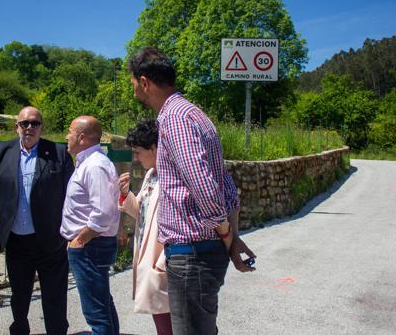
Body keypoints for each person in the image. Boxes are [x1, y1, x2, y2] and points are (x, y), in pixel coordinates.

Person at [127, 47, 256, 335]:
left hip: (192, 255)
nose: (134, 89)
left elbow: (207, 189)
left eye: (133, 83)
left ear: (144, 81)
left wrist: (227, 236)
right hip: (199, 254)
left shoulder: (173, 119)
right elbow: (228, 189)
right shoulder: (194, 114)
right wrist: (230, 239)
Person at [0, 106, 74, 335]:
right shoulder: (1, 151)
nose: (29, 127)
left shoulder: (58, 152)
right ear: (16, 126)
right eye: (25, 123)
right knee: (19, 296)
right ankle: (19, 330)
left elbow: (72, 195)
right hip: (16, 240)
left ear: (42, 127)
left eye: (35, 123)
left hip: (51, 240)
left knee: (54, 295)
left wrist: (72, 231)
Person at [61, 115, 121, 335]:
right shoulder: (90, 162)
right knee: (102, 304)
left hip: (90, 247)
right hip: (91, 245)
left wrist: (79, 240)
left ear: (82, 137)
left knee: (96, 313)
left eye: (69, 132)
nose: (66, 136)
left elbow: (103, 212)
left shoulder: (94, 165)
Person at [118, 120, 172, 335]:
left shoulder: (172, 177)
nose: (136, 158)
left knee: (170, 323)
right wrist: (125, 193)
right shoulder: (152, 175)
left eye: (138, 152)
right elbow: (141, 210)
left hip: (162, 259)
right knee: (161, 320)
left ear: (154, 148)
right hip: (150, 256)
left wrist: (161, 264)